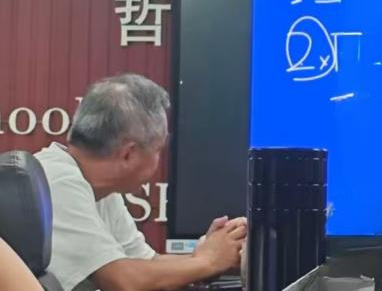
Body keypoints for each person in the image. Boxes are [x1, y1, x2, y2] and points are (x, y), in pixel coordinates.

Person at [35, 73, 246, 291]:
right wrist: (208, 261)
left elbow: (146, 263)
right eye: (158, 149)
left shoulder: (98, 188)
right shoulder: (55, 182)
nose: (159, 158)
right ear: (129, 154)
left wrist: (205, 255)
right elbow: (124, 281)